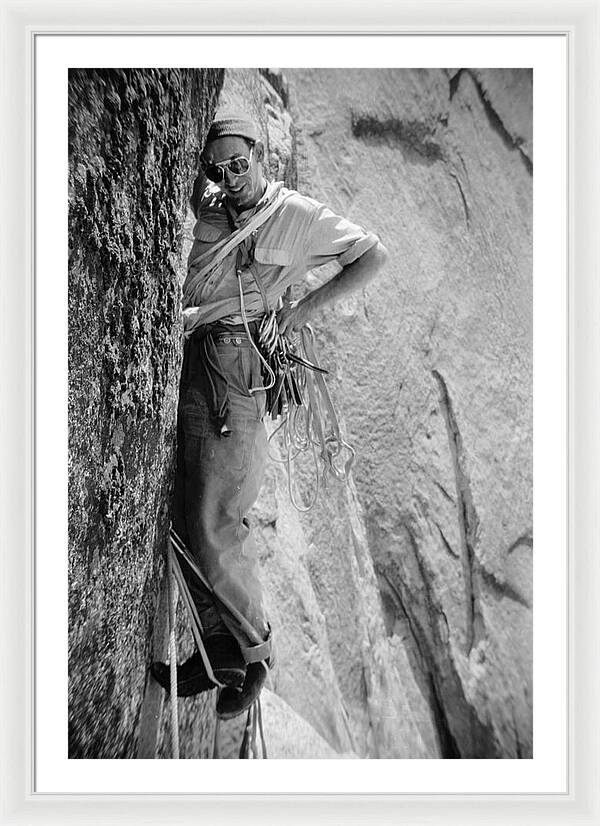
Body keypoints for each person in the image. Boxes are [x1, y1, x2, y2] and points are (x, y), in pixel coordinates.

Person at [151, 110, 388, 719]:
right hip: (200, 356)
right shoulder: (211, 207)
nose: (230, 177)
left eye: (240, 164)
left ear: (263, 157)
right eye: (218, 168)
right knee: (185, 504)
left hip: (238, 369)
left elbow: (371, 255)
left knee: (219, 514)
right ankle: (218, 651)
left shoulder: (296, 215)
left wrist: (302, 310)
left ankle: (253, 656)